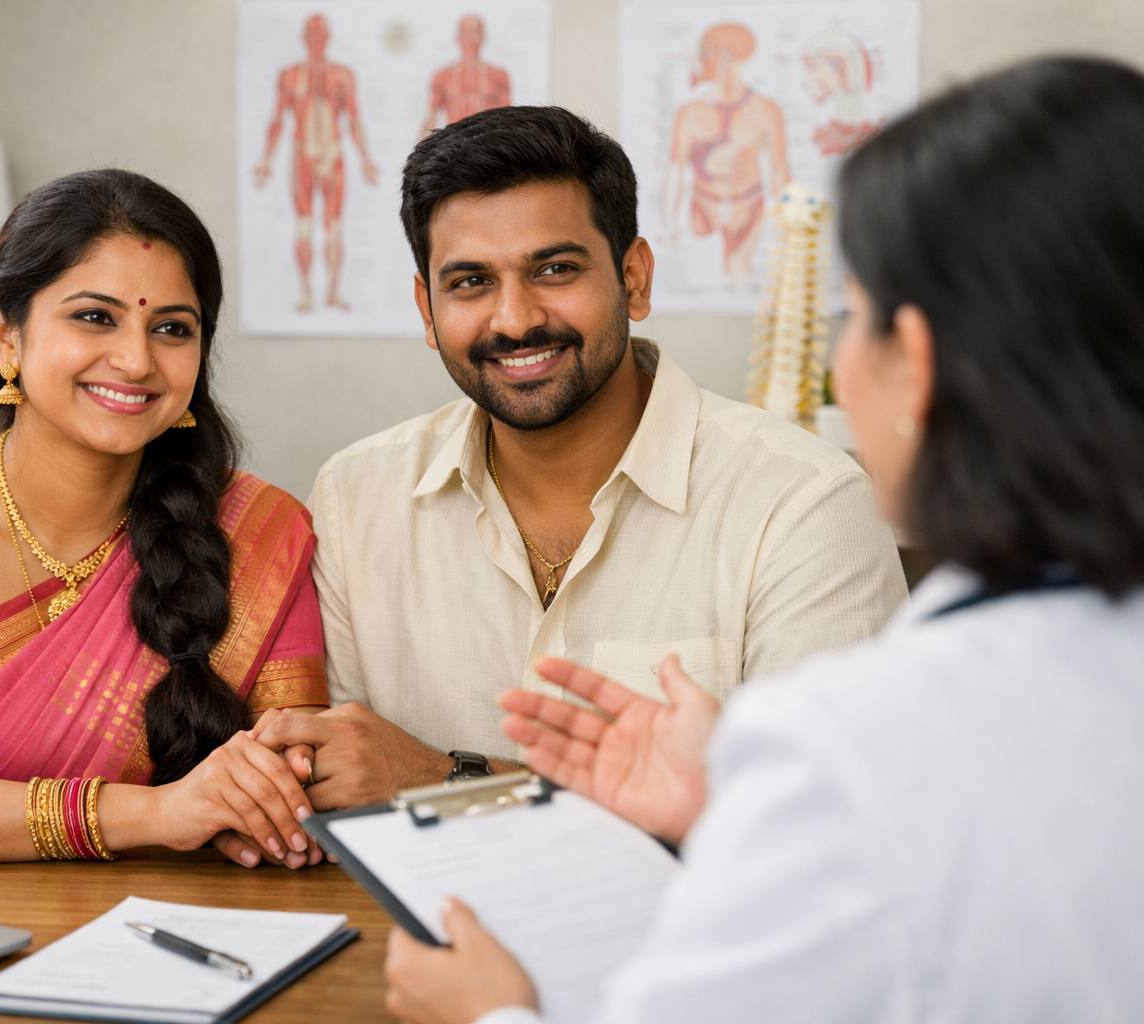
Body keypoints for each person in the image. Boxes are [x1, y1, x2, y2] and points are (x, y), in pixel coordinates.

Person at [383, 56, 1144, 1023]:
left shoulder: (846, 728)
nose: (516, 314)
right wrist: (740, 802)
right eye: (471, 282)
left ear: (914, 367)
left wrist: (490, 1014)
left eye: (855, 314)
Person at [253, 105, 905, 809]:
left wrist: (453, 782)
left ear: (635, 278)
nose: (516, 319)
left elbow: (837, 816)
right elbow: (341, 784)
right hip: (419, 921)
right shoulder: (357, 497)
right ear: (426, 309)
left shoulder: (805, 503)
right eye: (471, 282)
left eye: (555, 269)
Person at [0, 169, 328, 869]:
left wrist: (265, 807)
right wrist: (151, 813)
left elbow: (294, 780)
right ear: (6, 336)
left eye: (171, 328)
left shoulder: (258, 533)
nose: (136, 361)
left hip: (162, 940)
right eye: (95, 317)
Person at [253, 13, 379, 312]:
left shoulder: (343, 75)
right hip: (302, 154)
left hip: (332, 152)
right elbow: (277, 119)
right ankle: (307, 292)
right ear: (304, 38)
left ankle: (332, 291)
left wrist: (365, 158)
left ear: (328, 38)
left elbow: (354, 119)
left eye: (321, 35)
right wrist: (266, 159)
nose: (317, 41)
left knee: (334, 226)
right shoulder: (289, 76)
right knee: (305, 225)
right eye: (312, 35)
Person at [661, 23, 790, 279]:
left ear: (727, 56)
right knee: (700, 277)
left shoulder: (765, 110)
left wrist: (788, 222)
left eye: (706, 53)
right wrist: (668, 223)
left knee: (739, 272)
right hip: (702, 208)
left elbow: (780, 171)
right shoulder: (689, 113)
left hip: (749, 206)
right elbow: (675, 170)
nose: (699, 61)